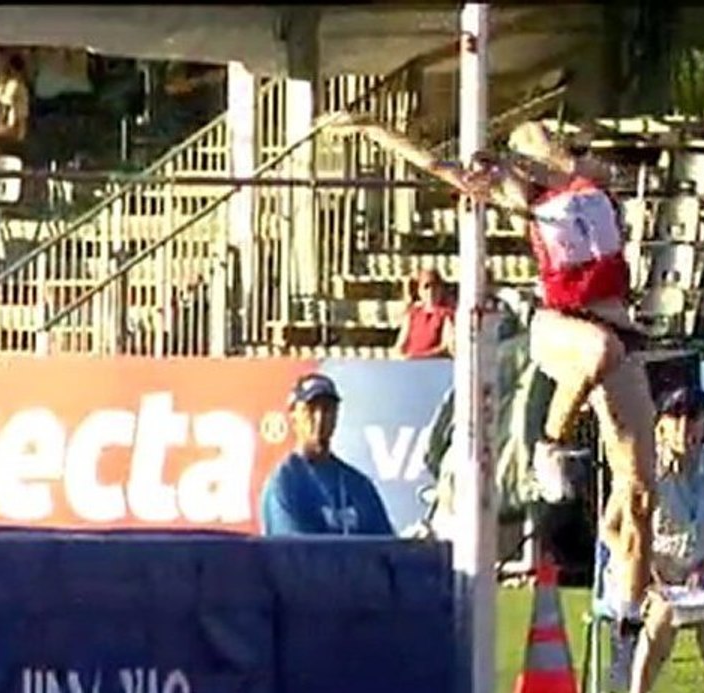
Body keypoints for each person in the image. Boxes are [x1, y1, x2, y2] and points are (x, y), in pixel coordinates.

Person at [327, 114, 655, 625]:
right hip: (561, 324)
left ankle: (628, 614)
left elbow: (603, 166)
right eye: (535, 133)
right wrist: (372, 128)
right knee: (598, 351)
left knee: (640, 493)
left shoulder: (587, 177)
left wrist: (552, 156)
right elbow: (437, 164)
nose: (547, 134)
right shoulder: (526, 196)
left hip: (619, 326)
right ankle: (548, 447)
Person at [605, 386, 704, 693]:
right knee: (663, 613)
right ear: (660, 425)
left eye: (693, 417)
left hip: (698, 581)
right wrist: (640, 564)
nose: (683, 427)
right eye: (675, 417)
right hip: (644, 575)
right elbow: (609, 529)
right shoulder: (641, 469)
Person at [260, 373, 395, 536]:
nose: (320, 418)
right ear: (294, 416)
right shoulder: (285, 482)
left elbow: (386, 543)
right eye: (310, 409)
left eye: (327, 409)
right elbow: (293, 547)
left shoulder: (358, 484)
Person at [394, 268, 455, 359]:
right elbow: (400, 344)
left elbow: (446, 347)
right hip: (410, 362)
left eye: (435, 286)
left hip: (434, 363)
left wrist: (419, 357)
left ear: (441, 289)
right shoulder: (412, 313)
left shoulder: (446, 314)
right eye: (426, 287)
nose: (430, 291)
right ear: (420, 291)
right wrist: (402, 356)